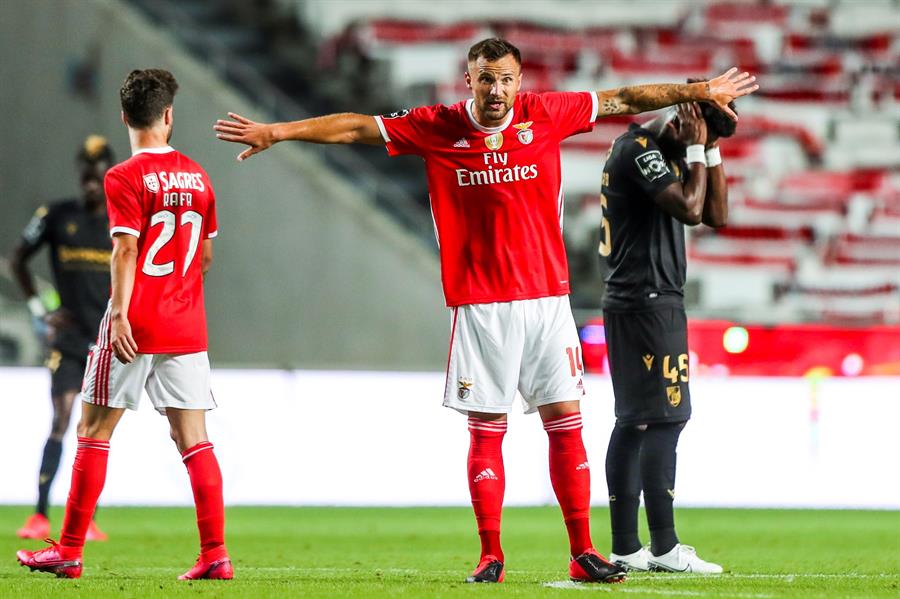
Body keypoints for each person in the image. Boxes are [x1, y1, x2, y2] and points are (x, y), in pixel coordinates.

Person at [213, 38, 756, 584]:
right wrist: (277, 131)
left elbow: (625, 98)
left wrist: (699, 91)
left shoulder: (545, 113)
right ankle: (491, 554)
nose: (496, 90)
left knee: (566, 426)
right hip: (481, 304)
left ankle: (584, 551)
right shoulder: (438, 125)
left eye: (505, 80)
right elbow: (358, 127)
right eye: (485, 79)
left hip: (547, 300)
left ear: (519, 81)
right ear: (468, 79)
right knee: (487, 431)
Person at [17, 68, 232, 581]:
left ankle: (69, 550)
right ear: (169, 115)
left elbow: (126, 247)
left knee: (93, 431)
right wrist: (178, 296)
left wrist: (118, 313)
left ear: (124, 117)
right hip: (187, 328)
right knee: (194, 439)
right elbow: (203, 257)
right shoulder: (199, 176)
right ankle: (216, 554)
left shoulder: (124, 177)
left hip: (134, 327)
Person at [599, 87, 738, 574]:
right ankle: (663, 546)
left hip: (648, 300)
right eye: (697, 136)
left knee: (639, 419)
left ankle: (625, 547)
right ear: (680, 121)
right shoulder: (640, 150)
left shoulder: (658, 150)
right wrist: (698, 149)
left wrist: (711, 148)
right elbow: (691, 210)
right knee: (664, 418)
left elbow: (718, 215)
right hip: (646, 300)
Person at [12, 136, 114, 542]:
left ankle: (84, 519)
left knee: (95, 430)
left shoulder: (121, 220)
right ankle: (39, 515)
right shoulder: (56, 215)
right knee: (62, 417)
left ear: (109, 176)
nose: (90, 184)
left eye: (97, 176)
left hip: (105, 337)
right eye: (85, 177)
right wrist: (40, 312)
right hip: (69, 338)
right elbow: (18, 258)